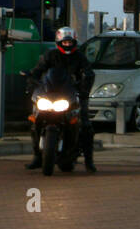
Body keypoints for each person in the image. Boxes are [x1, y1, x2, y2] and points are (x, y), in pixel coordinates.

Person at [24, 26, 96, 172]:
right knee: (35, 119)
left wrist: (84, 89)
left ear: (74, 42)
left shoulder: (80, 57)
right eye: (65, 42)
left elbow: (89, 73)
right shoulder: (51, 55)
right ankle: (37, 156)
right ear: (59, 42)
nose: (67, 45)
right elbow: (39, 70)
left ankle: (89, 161)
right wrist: (32, 81)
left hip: (72, 93)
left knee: (86, 125)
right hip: (50, 93)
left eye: (70, 42)